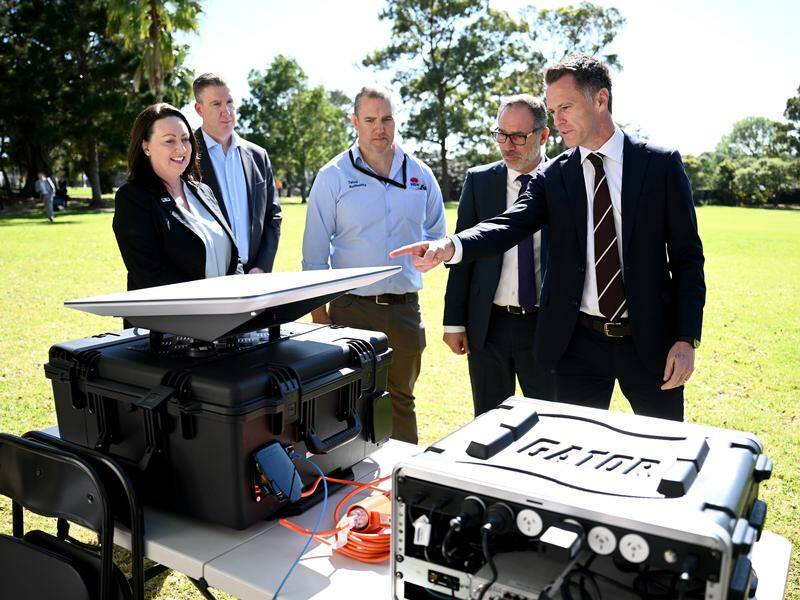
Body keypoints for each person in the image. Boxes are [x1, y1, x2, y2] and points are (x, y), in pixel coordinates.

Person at [392, 54, 705, 421]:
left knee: (663, 452)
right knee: (575, 455)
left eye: (566, 107)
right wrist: (450, 246)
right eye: (553, 110)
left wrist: (685, 338)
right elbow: (510, 223)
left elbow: (687, 258)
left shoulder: (659, 166)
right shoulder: (554, 176)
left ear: (600, 100)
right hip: (578, 347)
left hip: (651, 343)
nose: (557, 121)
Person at [302, 85, 446, 443]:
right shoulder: (333, 175)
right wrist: (321, 321)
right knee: (347, 403)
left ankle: (402, 486)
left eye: (386, 119)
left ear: (395, 121)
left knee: (402, 401)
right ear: (355, 122)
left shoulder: (420, 174)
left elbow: (439, 236)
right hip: (351, 310)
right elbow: (315, 257)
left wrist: (433, 252)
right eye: (370, 120)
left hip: (404, 312)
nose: (379, 128)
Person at [444, 95, 555, 416]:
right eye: (501, 135)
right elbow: (464, 252)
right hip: (487, 326)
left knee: (550, 423)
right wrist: (454, 322)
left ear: (543, 135)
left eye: (519, 137)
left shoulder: (565, 178)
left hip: (544, 326)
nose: (507, 145)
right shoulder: (480, 181)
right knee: (488, 422)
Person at [113, 103, 242, 293]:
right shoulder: (133, 198)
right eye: (169, 141)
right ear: (145, 146)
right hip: (169, 320)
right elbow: (148, 275)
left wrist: (238, 302)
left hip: (224, 317)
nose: (181, 149)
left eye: (185, 139)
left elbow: (233, 258)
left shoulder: (203, 191)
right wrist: (211, 302)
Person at [193, 73, 281, 274]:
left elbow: (272, 215)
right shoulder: (186, 157)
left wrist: (262, 266)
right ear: (199, 109)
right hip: (209, 278)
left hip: (255, 277)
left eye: (230, 102)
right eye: (216, 104)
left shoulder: (258, 156)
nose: (227, 111)